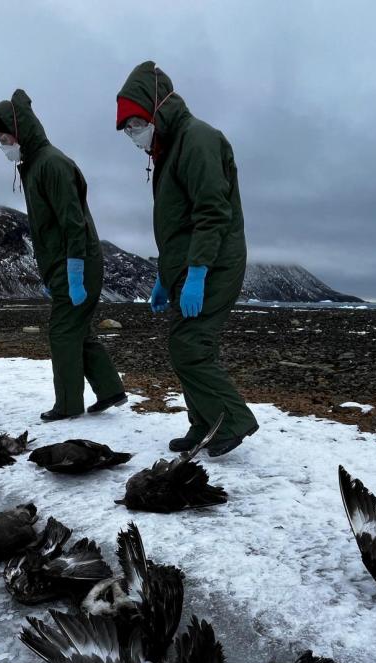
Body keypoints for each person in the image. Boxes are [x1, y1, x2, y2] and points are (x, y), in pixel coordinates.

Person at [115, 61, 258, 457]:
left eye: (135, 123)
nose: (132, 134)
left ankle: (232, 420)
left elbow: (211, 212)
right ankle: (205, 423)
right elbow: (176, 226)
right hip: (189, 266)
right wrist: (165, 277)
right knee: (190, 346)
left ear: (156, 110)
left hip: (214, 262)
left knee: (189, 345)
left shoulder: (197, 139)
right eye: (126, 128)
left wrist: (197, 273)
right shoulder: (169, 148)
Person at [0, 89, 127, 422]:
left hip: (76, 262)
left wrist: (75, 270)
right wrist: (52, 274)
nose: (3, 145)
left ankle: (68, 405)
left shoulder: (51, 164)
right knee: (77, 329)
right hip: (64, 265)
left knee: (63, 331)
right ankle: (110, 390)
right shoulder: (35, 165)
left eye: (5, 137)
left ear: (20, 131)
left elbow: (72, 221)